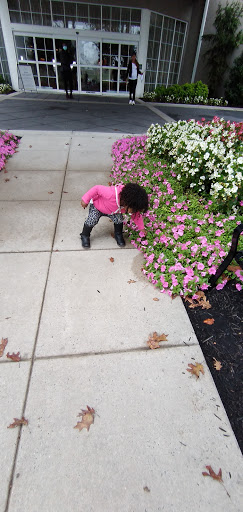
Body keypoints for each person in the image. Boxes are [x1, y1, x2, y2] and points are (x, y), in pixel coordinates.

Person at [80, 182, 148, 248]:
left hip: (112, 212)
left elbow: (136, 216)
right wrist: (85, 200)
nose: (134, 212)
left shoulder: (130, 205)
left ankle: (118, 234)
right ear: (128, 202)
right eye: (134, 210)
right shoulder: (111, 193)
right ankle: (85, 235)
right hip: (97, 207)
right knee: (92, 220)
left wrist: (142, 228)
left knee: (119, 219)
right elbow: (97, 188)